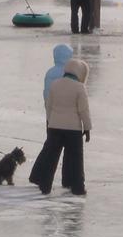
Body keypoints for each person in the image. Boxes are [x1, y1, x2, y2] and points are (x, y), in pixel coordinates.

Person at [32, 58, 92, 195]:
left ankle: (45, 186)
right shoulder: (79, 87)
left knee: (51, 158)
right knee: (75, 160)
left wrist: (49, 122)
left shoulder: (55, 84)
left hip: (55, 128)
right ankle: (77, 188)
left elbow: (49, 106)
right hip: (73, 130)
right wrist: (87, 128)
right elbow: (83, 110)